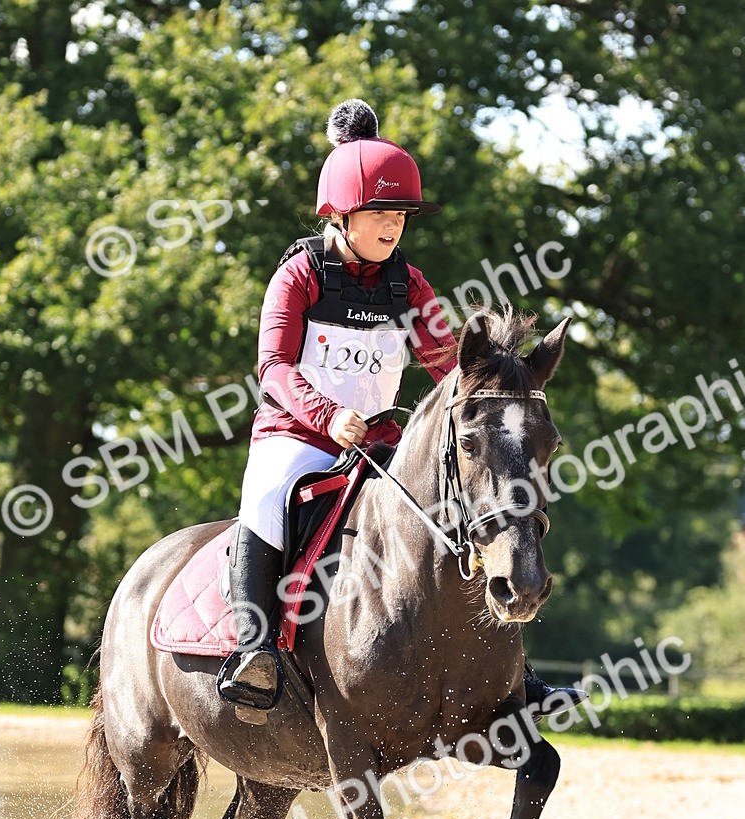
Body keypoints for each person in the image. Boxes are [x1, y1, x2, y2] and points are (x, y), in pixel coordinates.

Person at [219, 98, 585, 722]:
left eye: (400, 216)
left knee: (462, 509)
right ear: (341, 214)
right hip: (297, 435)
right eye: (380, 214)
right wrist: (326, 415)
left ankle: (513, 678)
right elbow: (274, 367)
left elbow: (450, 365)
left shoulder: (408, 284)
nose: (392, 226)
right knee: (265, 497)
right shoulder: (299, 277)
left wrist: (493, 401)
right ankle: (255, 651)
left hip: (379, 444)